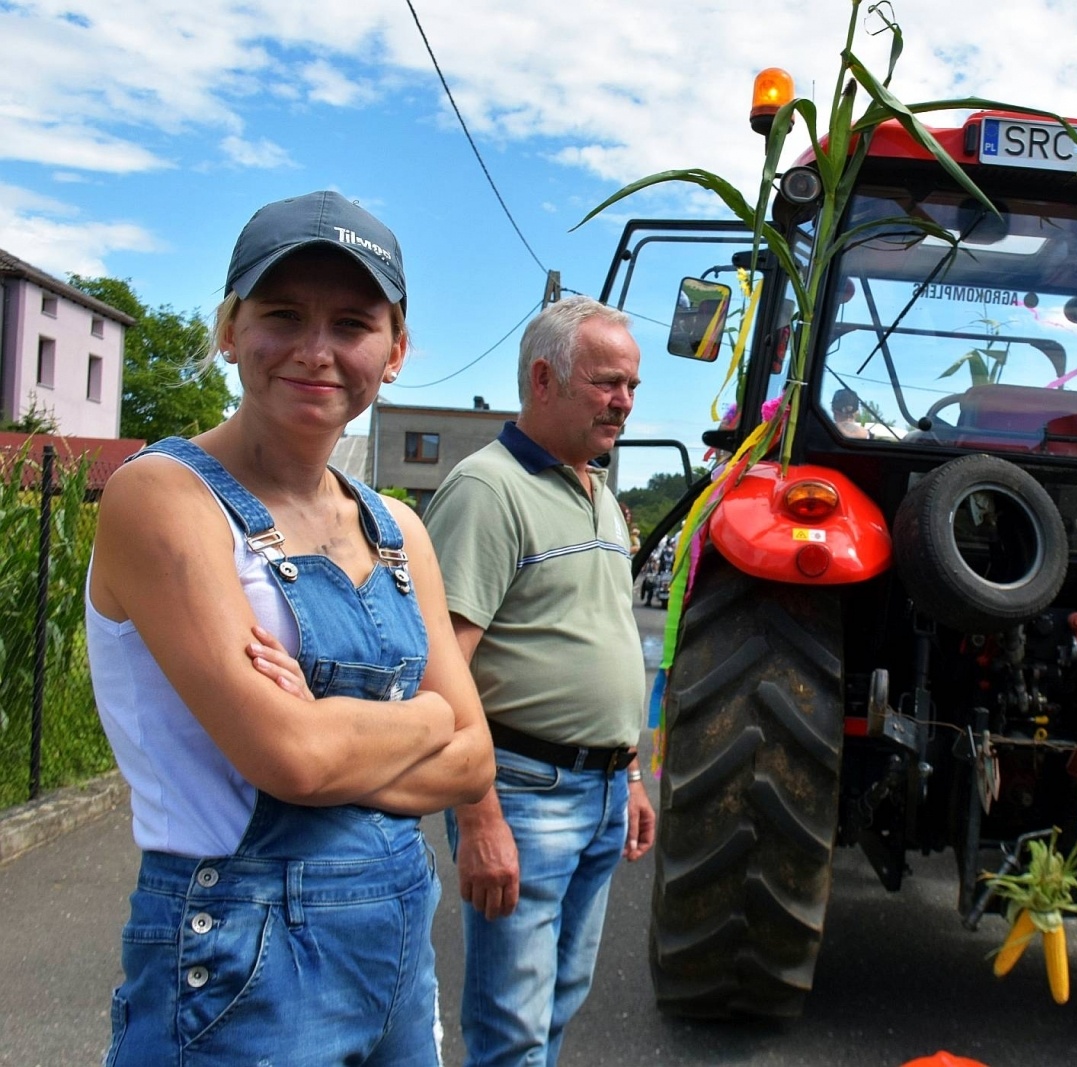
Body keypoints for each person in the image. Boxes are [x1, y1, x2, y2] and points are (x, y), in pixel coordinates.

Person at [86, 190, 494, 1064]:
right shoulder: (162, 495)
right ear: (231, 329)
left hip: (397, 957)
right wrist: (427, 717)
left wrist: (331, 729)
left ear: (395, 351)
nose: (316, 351)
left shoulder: (397, 528)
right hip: (239, 964)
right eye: (282, 315)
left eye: (352, 323)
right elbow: (291, 759)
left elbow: (474, 761)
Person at [423, 296, 657, 1067]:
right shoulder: (488, 490)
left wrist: (631, 773)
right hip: (524, 791)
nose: (623, 401)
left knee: (558, 1003)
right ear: (543, 379)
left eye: (632, 385)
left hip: (601, 791)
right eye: (607, 382)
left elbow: (601, 636)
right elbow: (441, 670)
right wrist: (480, 817)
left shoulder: (599, 493)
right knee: (513, 1027)